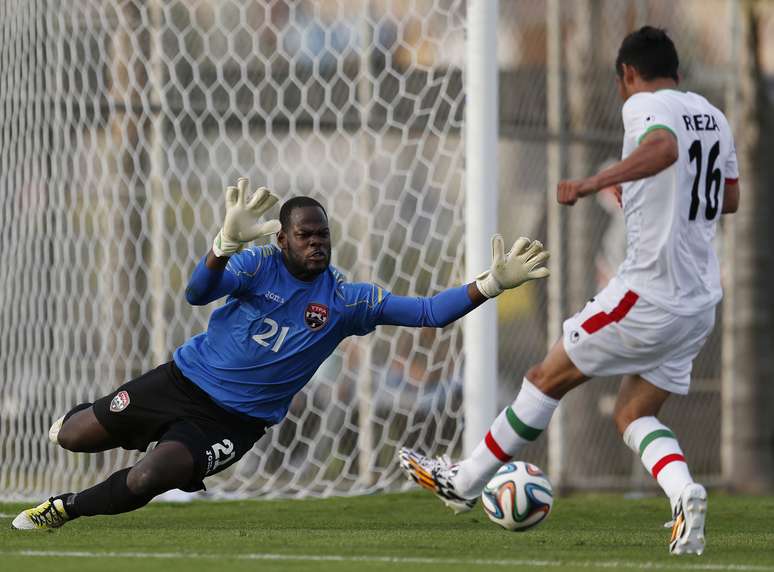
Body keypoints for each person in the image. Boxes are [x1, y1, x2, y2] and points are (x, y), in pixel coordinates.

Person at [11, 177, 549, 530]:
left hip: (234, 420)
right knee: (71, 436)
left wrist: (491, 284)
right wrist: (221, 247)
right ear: (283, 240)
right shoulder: (253, 267)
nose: (317, 243)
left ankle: (65, 509)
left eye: (324, 236)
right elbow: (197, 294)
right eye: (305, 235)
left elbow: (430, 312)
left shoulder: (346, 300)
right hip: (179, 379)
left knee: (152, 475)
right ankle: (90, 418)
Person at [399, 26, 739, 557]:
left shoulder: (643, 105)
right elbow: (730, 196)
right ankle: (684, 493)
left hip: (646, 293)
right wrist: (655, 203)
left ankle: (465, 481)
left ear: (628, 74)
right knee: (633, 413)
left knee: (544, 378)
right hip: (697, 305)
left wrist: (595, 183)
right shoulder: (713, 116)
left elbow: (665, 149)